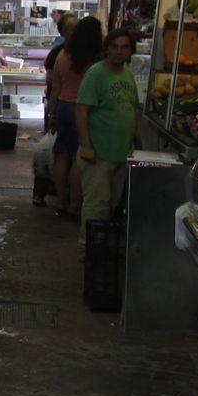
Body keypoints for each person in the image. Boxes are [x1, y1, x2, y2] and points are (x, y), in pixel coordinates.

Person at [76, 27, 141, 243]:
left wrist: (137, 144)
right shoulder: (96, 74)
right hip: (98, 155)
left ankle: (101, 247)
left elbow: (132, 110)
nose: (118, 52)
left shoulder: (128, 74)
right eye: (114, 47)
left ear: (131, 51)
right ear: (106, 49)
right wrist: (86, 146)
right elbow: (82, 110)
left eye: (124, 47)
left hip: (121, 155)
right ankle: (88, 249)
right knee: (96, 206)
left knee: (111, 205)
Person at [49, 16, 103, 221]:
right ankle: (74, 204)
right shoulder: (95, 59)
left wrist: (52, 114)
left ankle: (60, 200)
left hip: (63, 107)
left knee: (62, 154)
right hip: (85, 110)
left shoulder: (63, 54)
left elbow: (56, 87)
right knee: (79, 159)